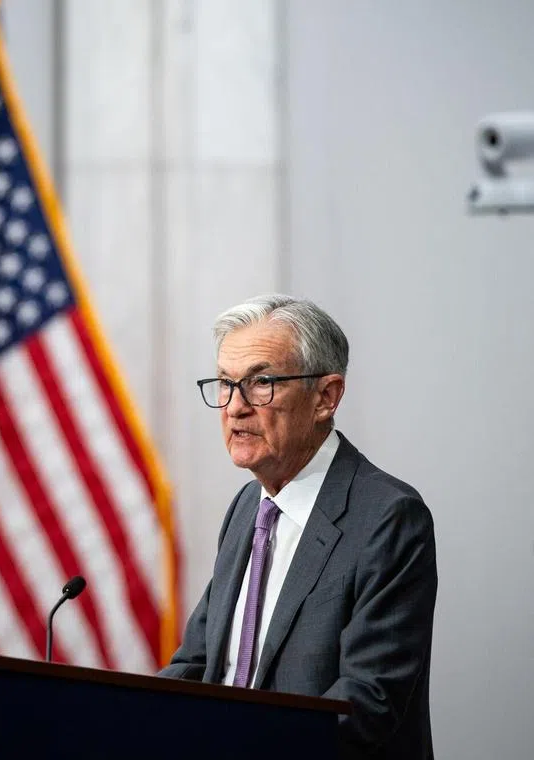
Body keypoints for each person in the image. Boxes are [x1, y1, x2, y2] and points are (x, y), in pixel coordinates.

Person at [159, 294, 437, 759]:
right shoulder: (247, 507)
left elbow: (367, 701)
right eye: (226, 384)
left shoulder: (388, 517)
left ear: (326, 397)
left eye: (261, 383)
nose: (235, 407)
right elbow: (199, 662)